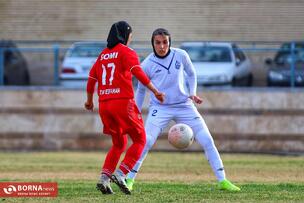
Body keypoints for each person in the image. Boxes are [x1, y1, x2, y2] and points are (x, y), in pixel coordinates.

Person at [126, 28, 241, 192]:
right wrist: (136, 111)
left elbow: (192, 73)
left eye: (165, 42)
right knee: (146, 142)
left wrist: (193, 93)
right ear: (153, 44)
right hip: (160, 108)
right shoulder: (147, 64)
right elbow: (141, 89)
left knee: (207, 140)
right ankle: (129, 180)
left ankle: (223, 181)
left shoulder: (181, 54)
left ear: (169, 42)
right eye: (158, 42)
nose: (162, 46)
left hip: (184, 105)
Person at [84, 21, 165, 195]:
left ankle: (104, 179)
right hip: (122, 103)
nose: (130, 39)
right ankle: (121, 174)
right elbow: (138, 72)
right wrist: (155, 91)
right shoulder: (127, 52)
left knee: (119, 143)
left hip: (104, 105)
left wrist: (89, 101)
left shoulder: (102, 55)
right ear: (125, 35)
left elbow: (91, 80)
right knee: (140, 139)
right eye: (130, 36)